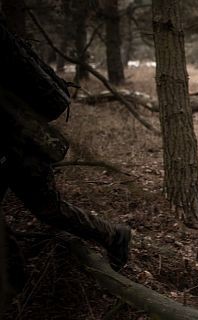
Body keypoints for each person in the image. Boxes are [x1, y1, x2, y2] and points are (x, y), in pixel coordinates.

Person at [0, 19, 131, 296]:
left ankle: (113, 234)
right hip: (14, 141)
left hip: (19, 143)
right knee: (48, 208)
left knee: (49, 208)